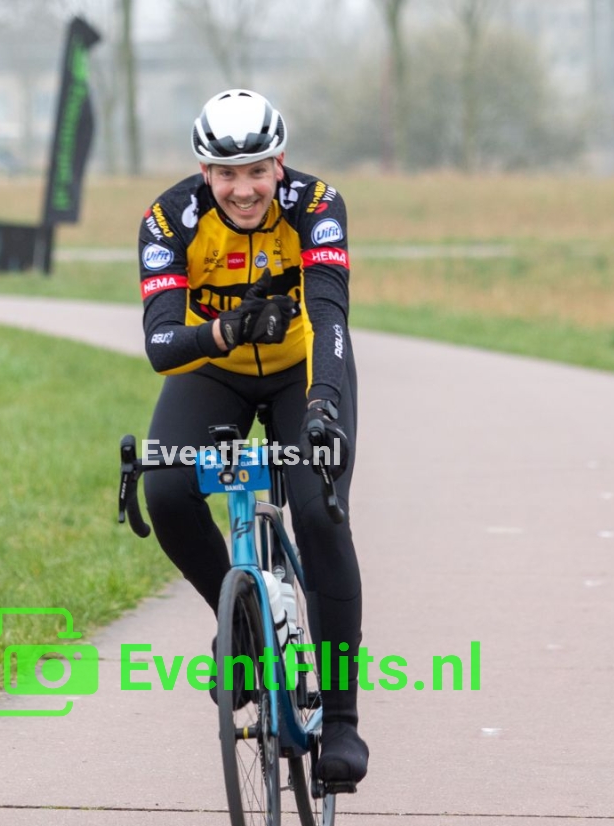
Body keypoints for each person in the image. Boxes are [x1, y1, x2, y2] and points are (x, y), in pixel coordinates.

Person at [138, 88, 368, 787]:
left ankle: (341, 721)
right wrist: (226, 330)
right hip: (214, 370)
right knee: (166, 489)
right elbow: (161, 345)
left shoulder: (317, 204)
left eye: (258, 171)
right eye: (227, 174)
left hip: (304, 370)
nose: (244, 189)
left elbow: (329, 316)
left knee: (320, 514)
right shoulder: (168, 219)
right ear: (204, 172)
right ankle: (239, 625)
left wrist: (324, 405)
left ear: (280, 164)